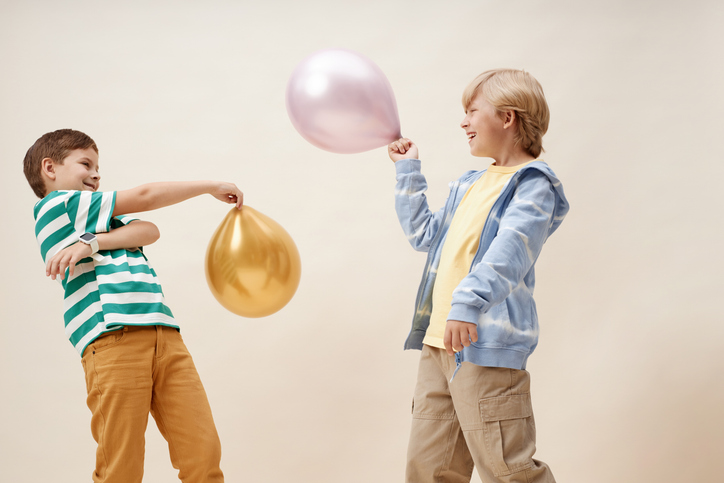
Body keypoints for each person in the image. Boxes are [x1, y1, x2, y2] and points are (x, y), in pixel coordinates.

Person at [24, 128, 243, 483]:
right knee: (120, 465)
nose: (96, 174)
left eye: (98, 166)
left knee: (202, 454)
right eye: (86, 163)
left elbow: (148, 230)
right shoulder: (59, 205)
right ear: (50, 169)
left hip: (166, 338)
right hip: (113, 340)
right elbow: (144, 197)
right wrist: (208, 186)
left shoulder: (99, 222)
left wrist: (92, 243)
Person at [388, 69, 569, 483]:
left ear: (507, 117)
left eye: (472, 111)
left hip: (484, 346)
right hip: (438, 343)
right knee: (430, 469)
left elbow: (511, 253)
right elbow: (425, 237)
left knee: (508, 469)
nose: (463, 122)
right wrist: (408, 171)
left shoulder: (534, 185)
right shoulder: (470, 183)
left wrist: (466, 304)